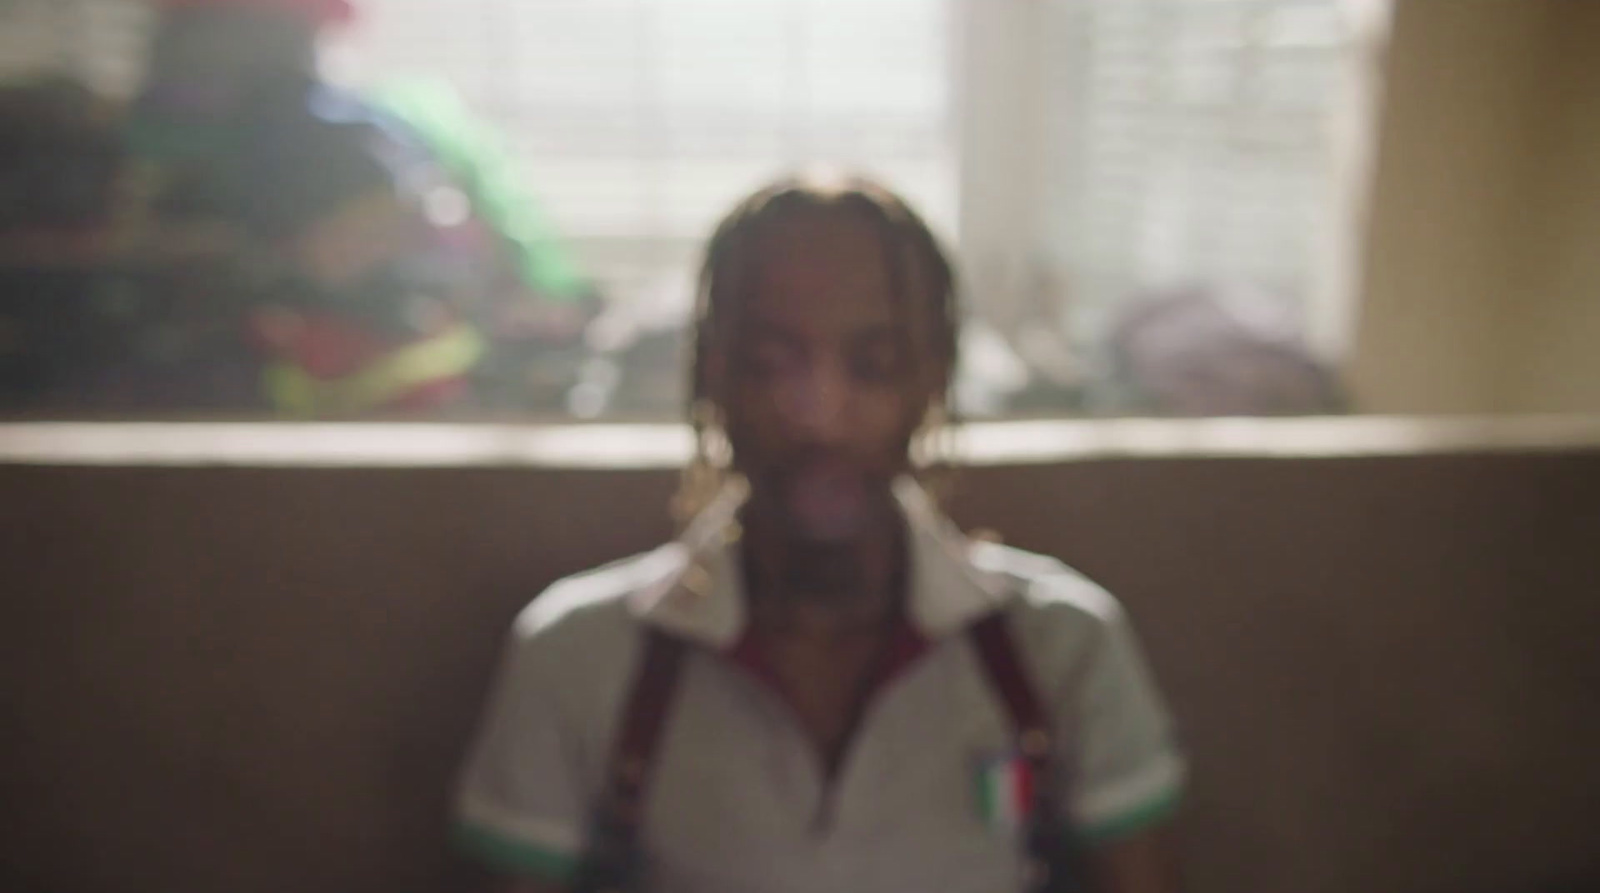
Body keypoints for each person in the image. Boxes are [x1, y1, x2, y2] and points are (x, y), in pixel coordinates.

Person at [452, 174, 1186, 893]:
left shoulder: (1059, 647)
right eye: (773, 362)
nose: (819, 412)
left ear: (932, 381)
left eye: (875, 364)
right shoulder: (579, 657)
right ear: (716, 378)